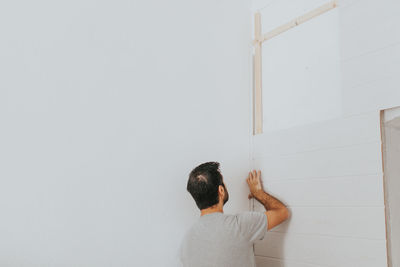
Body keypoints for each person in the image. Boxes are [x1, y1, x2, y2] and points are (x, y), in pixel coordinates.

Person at [180, 161, 289, 267]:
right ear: (221, 190)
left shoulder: (186, 242)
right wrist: (259, 193)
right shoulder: (240, 226)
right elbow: (282, 212)